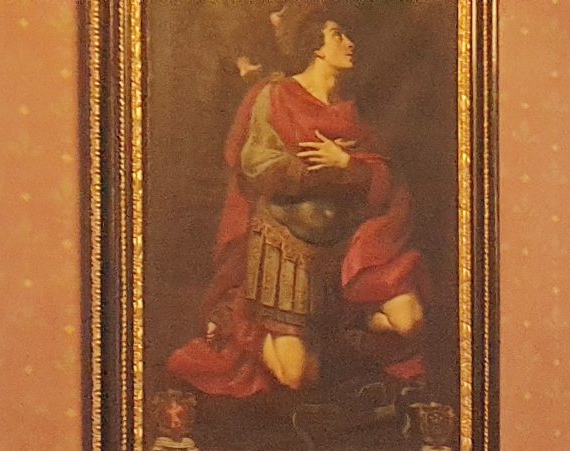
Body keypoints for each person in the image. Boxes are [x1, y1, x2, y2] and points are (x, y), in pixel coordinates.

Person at [167, 0, 426, 399]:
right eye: (338, 35)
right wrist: (315, 173)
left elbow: (385, 178)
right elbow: (255, 165)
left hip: (345, 251)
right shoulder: (274, 96)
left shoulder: (351, 111)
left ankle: (342, 323)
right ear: (314, 45)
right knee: (296, 376)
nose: (350, 43)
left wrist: (346, 165)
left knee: (410, 322)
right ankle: (239, 321)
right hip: (287, 247)